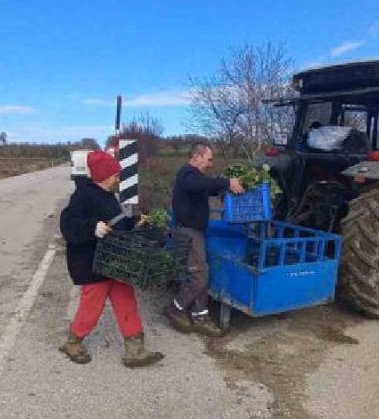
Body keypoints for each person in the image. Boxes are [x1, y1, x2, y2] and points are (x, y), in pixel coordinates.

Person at [58, 151, 164, 368]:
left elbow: (117, 222)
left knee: (126, 300)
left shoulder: (108, 196)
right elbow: (68, 225)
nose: (118, 178)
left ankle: (135, 351)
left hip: (113, 261)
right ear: (105, 174)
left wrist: (135, 221)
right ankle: (73, 342)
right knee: (92, 306)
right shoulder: (83, 196)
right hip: (91, 264)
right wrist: (92, 228)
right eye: (115, 174)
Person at [163, 143, 244, 336]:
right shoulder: (187, 174)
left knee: (202, 272)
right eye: (208, 159)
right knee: (200, 275)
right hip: (189, 232)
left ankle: (201, 316)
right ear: (197, 157)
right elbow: (199, 184)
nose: (210, 163)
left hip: (196, 231)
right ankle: (176, 307)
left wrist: (223, 191)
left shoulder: (195, 177)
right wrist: (226, 183)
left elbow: (205, 187)